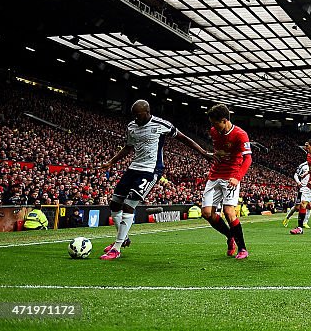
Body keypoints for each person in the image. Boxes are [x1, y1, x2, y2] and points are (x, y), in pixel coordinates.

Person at [99, 100, 212, 260]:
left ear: (147, 112)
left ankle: (117, 248)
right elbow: (128, 147)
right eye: (134, 116)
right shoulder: (131, 126)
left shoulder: (161, 124)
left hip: (151, 170)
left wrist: (203, 152)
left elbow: (184, 138)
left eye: (139, 115)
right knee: (115, 203)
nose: (136, 119)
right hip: (134, 168)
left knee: (129, 204)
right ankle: (123, 238)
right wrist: (111, 161)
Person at [201, 104, 252, 260]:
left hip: (231, 176)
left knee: (229, 212)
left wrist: (237, 177)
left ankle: (242, 248)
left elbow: (248, 158)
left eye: (215, 123)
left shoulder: (240, 135)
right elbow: (219, 151)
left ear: (224, 120)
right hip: (214, 175)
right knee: (207, 213)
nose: (213, 127)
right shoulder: (214, 132)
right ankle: (230, 237)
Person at [283, 161, 311, 228]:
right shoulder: (303, 166)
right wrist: (298, 182)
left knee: (309, 206)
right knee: (297, 207)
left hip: (310, 189)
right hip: (303, 188)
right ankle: (287, 217)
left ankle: (305, 222)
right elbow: (296, 175)